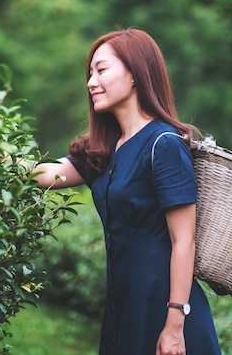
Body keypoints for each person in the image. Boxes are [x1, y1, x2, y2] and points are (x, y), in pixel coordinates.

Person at [29, 29, 221, 355]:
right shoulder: (103, 150)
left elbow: (183, 239)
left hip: (165, 310)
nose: (91, 82)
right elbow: (45, 174)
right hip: (122, 306)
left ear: (135, 75)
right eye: (90, 73)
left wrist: (175, 324)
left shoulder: (164, 145)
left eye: (101, 70)